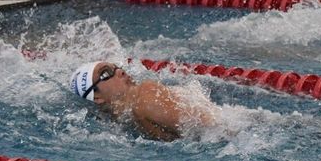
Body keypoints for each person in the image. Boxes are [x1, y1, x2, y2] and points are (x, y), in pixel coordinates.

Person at [69, 61, 213, 141]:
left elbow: (212, 128)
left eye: (117, 67)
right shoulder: (126, 118)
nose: (120, 72)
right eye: (106, 73)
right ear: (96, 98)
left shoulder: (146, 95)